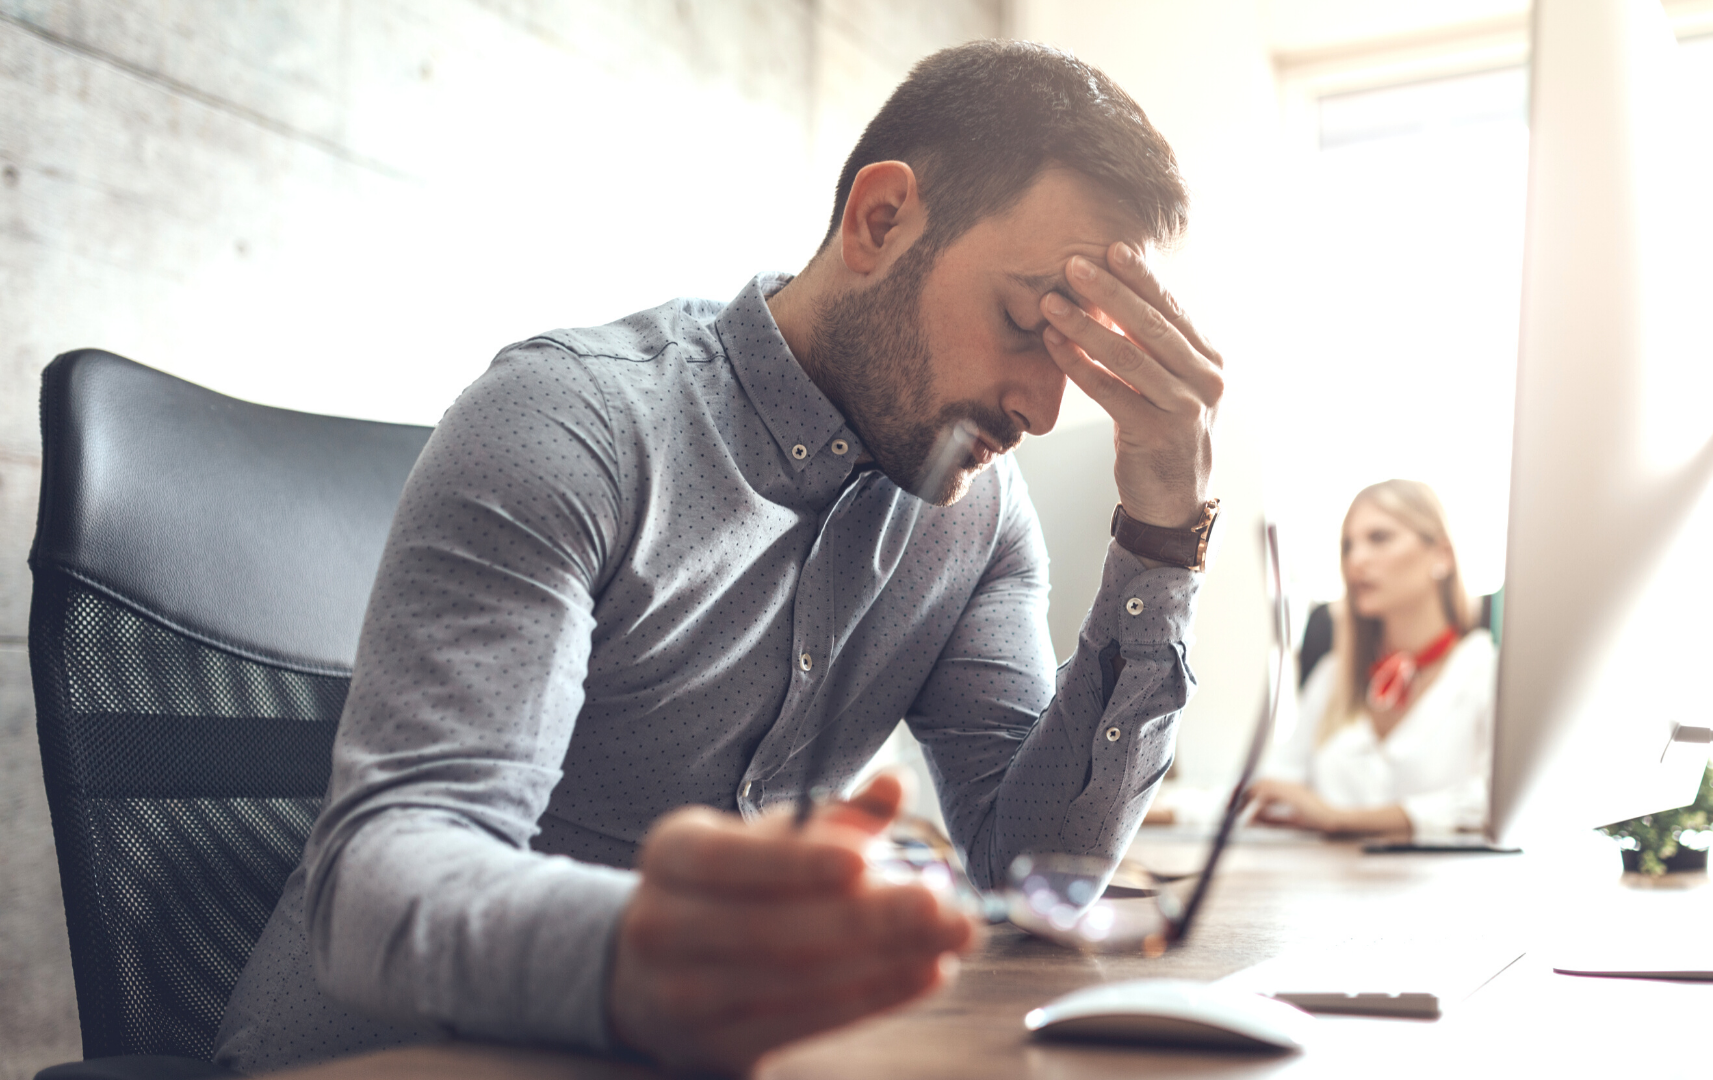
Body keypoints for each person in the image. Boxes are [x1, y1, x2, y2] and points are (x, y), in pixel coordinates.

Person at [212, 41, 1227, 1077]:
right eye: (1024, 322)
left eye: (1073, 356)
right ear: (881, 221)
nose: (1043, 409)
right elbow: (377, 880)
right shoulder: (572, 423)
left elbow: (1031, 867)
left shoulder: (972, 513)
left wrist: (1160, 535)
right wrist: (643, 953)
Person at [1245, 480, 1494, 841]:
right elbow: (1273, 786)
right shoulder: (1334, 675)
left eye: (1379, 538)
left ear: (1442, 554)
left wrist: (1343, 820)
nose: (1356, 560)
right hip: (1328, 890)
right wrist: (1161, 808)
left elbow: (1494, 801)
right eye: (1348, 546)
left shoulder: (1487, 672)